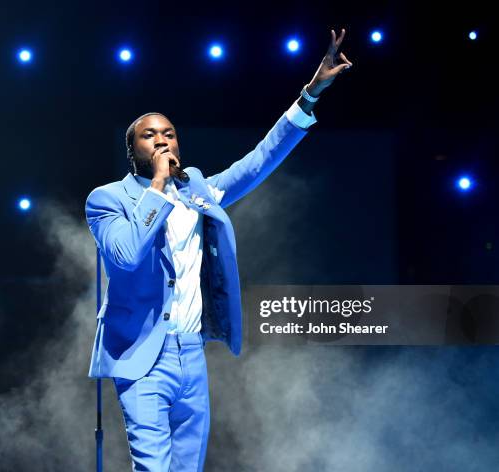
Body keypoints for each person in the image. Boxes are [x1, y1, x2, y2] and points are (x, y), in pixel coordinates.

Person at [85, 28, 353, 472]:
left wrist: (309, 96)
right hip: (140, 355)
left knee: (188, 467)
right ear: (132, 150)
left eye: (169, 133)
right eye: (150, 135)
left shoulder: (197, 189)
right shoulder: (108, 198)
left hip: (191, 353)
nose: (163, 141)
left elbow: (258, 160)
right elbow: (127, 255)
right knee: (153, 467)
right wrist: (155, 186)